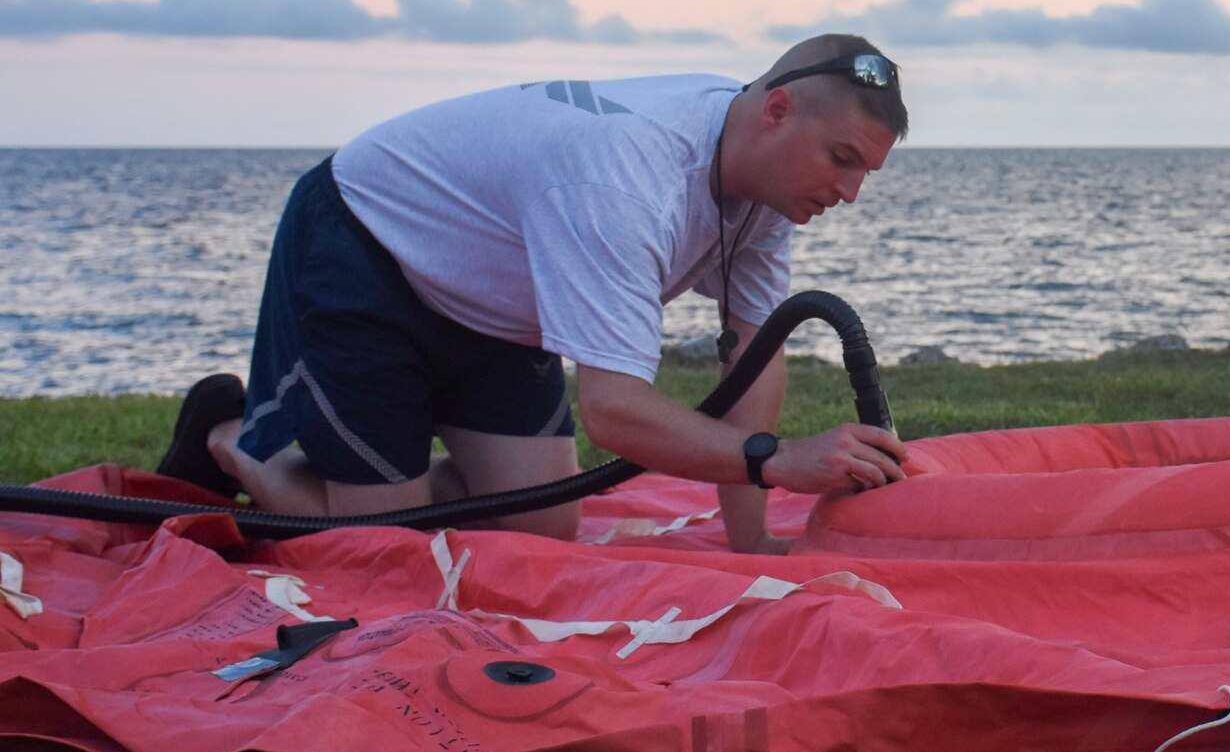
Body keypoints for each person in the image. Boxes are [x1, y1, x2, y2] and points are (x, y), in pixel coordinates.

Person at [152, 33, 910, 553]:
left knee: (543, 527)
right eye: (840, 159)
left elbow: (750, 359)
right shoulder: (627, 173)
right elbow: (614, 413)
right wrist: (777, 461)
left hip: (497, 306)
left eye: (864, 175)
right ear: (776, 111)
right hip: (367, 249)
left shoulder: (766, 188)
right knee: (385, 549)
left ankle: (391, 481)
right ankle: (227, 435)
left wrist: (751, 541)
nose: (847, 192)